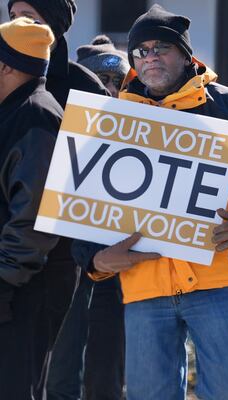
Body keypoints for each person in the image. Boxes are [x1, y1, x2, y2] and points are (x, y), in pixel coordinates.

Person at [71, 5, 228, 400]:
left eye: (160, 47)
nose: (150, 57)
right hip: (143, 287)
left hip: (218, 280)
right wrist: (93, 258)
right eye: (140, 50)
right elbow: (82, 202)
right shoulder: (112, 119)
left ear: (185, 54)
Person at [8, 4, 111, 395]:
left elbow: (108, 173)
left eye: (33, 15)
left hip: (63, 251)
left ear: (56, 24)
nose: (22, 22)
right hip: (9, 243)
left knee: (55, 369)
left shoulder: (85, 87)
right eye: (15, 11)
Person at [43, 35, 130, 400]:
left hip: (121, 265)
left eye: (118, 82)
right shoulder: (56, 123)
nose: (109, 89)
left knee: (109, 371)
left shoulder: (146, 133)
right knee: (61, 369)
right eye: (101, 80)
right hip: (66, 259)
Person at [0, 17, 63, 399]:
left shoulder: (36, 114)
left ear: (6, 65)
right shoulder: (17, 109)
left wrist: (3, 281)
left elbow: (34, 219)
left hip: (21, 289)